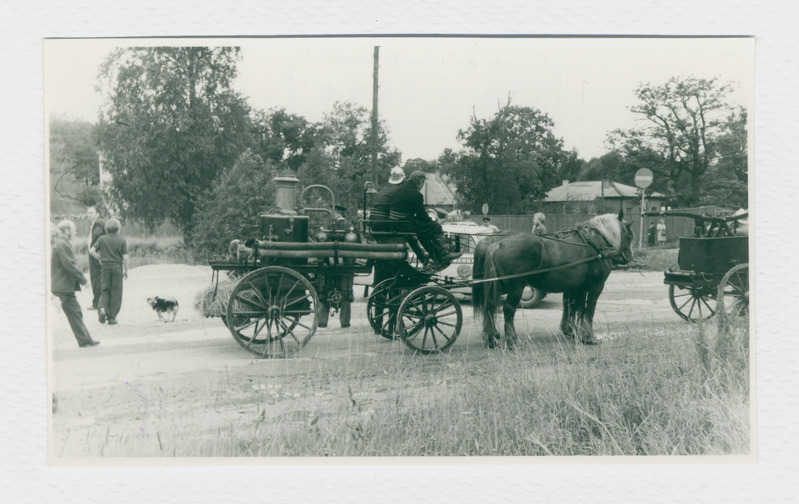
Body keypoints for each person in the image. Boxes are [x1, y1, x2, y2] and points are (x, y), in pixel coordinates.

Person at [389, 170, 461, 269]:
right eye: (423, 182)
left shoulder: (400, 190)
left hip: (395, 222)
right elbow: (421, 215)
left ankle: (433, 255)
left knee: (423, 230)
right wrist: (431, 222)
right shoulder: (415, 194)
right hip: (404, 223)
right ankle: (444, 254)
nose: (422, 186)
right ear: (419, 181)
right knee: (435, 226)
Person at [51, 220, 99, 348]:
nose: (75, 232)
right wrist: (83, 280)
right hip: (63, 287)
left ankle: (85, 340)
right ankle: (85, 340)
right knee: (74, 313)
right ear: (66, 230)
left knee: (75, 313)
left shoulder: (60, 243)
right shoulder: (63, 244)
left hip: (61, 286)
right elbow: (69, 265)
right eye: (73, 229)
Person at [90, 218, 129, 325]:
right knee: (116, 292)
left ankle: (102, 308)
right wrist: (126, 271)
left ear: (107, 228)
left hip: (105, 267)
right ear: (118, 228)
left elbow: (91, 250)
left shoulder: (102, 239)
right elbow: (125, 258)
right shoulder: (122, 240)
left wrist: (99, 258)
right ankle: (112, 317)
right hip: (117, 267)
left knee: (105, 290)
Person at [86, 206, 105, 310]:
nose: (89, 215)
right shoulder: (97, 223)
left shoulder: (98, 223)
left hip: (95, 255)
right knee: (97, 278)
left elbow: (98, 234)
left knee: (96, 278)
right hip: (95, 253)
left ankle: (97, 303)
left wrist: (93, 248)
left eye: (91, 213)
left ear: (98, 214)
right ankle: (98, 302)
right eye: (88, 213)